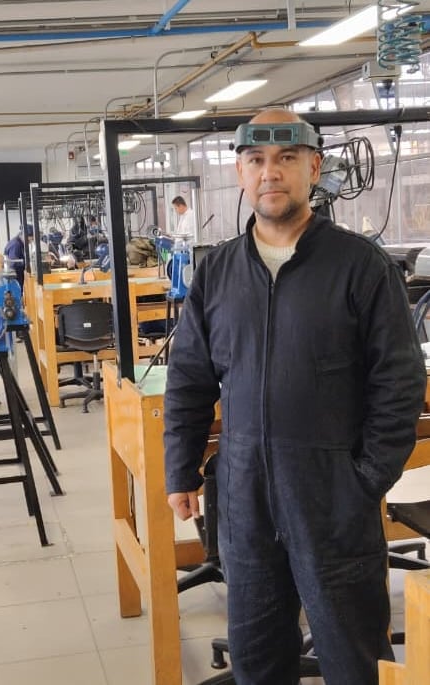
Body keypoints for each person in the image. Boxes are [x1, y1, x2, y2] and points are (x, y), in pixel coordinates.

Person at [164, 108, 426, 685]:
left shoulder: (360, 266)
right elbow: (189, 378)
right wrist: (180, 469)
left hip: (332, 498)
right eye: (256, 160)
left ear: (314, 167)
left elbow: (400, 381)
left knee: (354, 657)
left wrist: (364, 479)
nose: (271, 172)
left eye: (286, 158)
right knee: (257, 657)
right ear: (240, 173)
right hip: (244, 496)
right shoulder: (217, 272)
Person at [3, 224, 33, 291]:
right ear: (24, 235)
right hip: (15, 278)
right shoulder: (16, 245)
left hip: (18, 276)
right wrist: (28, 263)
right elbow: (13, 263)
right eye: (29, 240)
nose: (30, 242)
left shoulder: (20, 243)